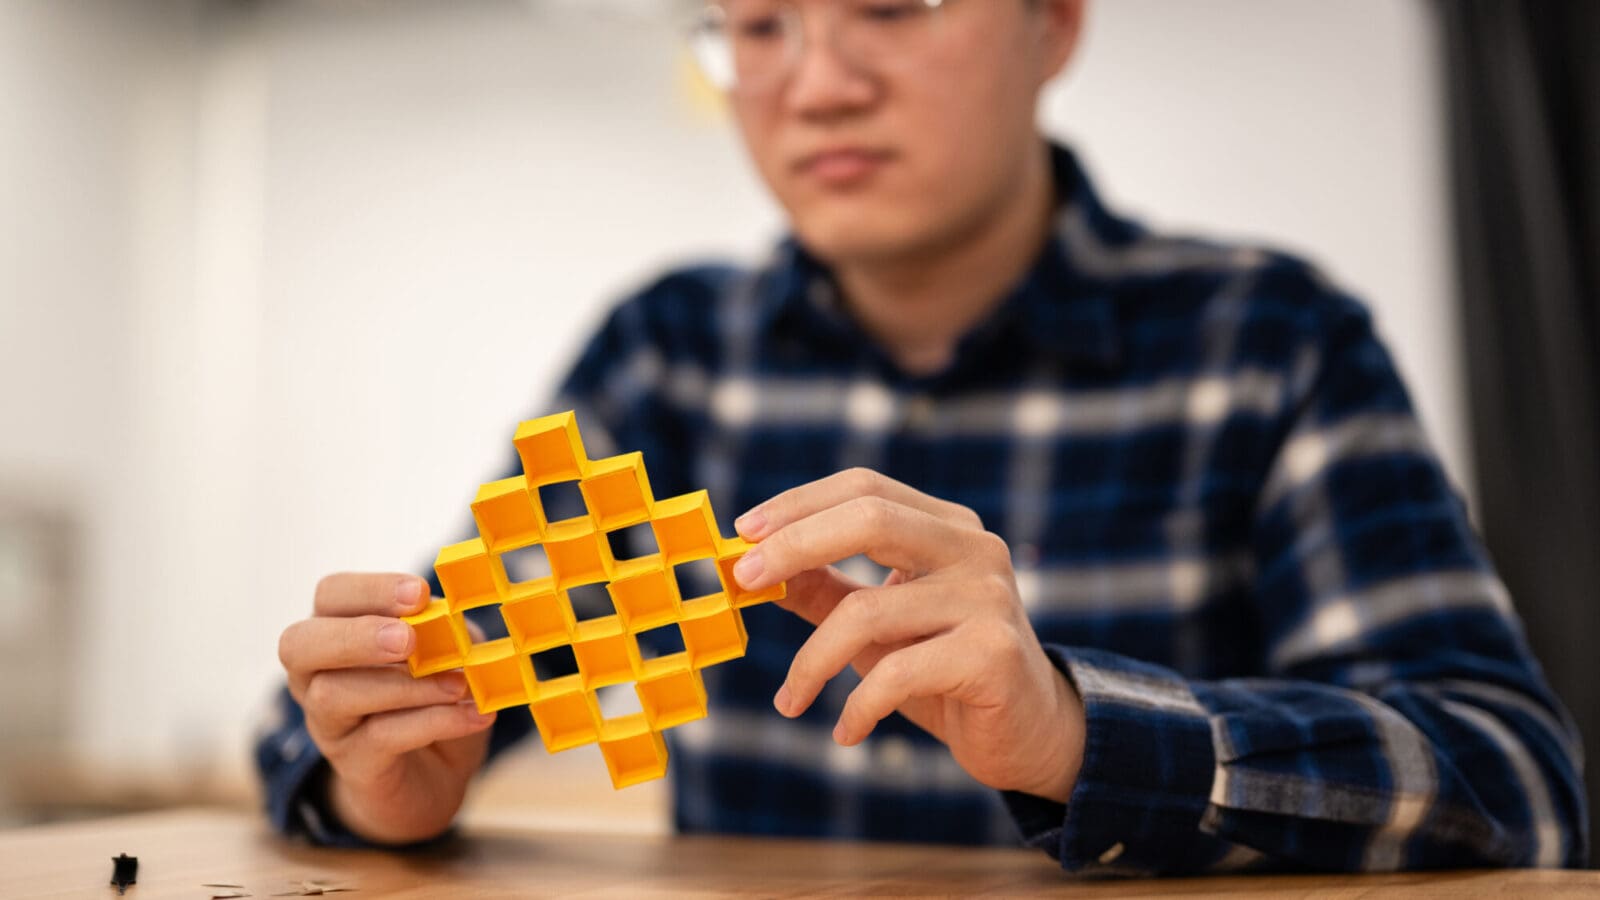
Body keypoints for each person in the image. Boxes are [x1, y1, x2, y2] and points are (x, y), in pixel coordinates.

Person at [258, 0, 1587, 875]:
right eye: (756, 24)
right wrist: (387, 780)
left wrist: (1076, 733)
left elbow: (1518, 783)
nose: (815, 84)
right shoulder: (668, 353)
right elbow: (367, 707)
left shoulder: (1272, 340)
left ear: (1053, 25)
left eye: (893, 4)